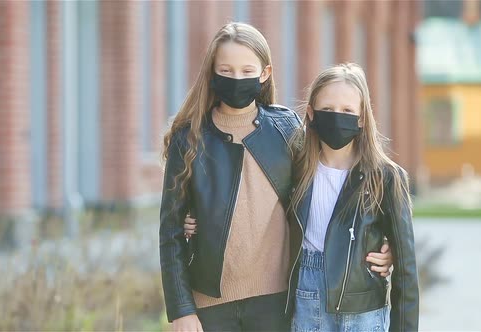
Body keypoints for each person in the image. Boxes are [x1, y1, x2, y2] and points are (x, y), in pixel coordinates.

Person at [160, 22, 392, 332]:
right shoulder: (189, 139)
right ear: (212, 73)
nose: (237, 79)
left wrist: (380, 242)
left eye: (247, 70)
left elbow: (331, 184)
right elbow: (170, 232)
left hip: (276, 302)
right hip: (208, 307)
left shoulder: (287, 129)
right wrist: (181, 309)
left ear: (265, 73)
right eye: (226, 71)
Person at [286, 63, 419, 332]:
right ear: (311, 114)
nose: (337, 117)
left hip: (364, 310)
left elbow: (407, 270)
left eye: (347, 111)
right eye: (327, 110)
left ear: (361, 118)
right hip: (306, 300)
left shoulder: (386, 177)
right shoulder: (294, 168)